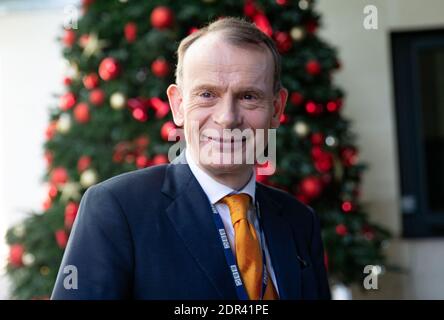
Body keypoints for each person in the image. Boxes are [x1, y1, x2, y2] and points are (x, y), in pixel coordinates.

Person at [51, 17, 330, 300]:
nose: (227, 118)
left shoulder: (299, 221)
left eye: (248, 96)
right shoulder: (116, 208)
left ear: (277, 108)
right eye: (207, 94)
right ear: (178, 105)